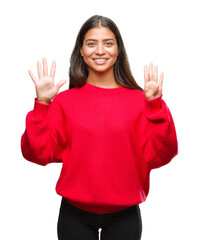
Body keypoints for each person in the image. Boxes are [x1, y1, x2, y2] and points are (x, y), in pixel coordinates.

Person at [21, 15, 178, 240]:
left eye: (108, 43)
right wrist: (43, 105)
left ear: (118, 50)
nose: (100, 50)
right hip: (74, 214)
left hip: (125, 215)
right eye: (91, 43)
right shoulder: (65, 101)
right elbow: (36, 153)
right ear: (81, 51)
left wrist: (154, 106)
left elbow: (163, 154)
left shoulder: (140, 100)